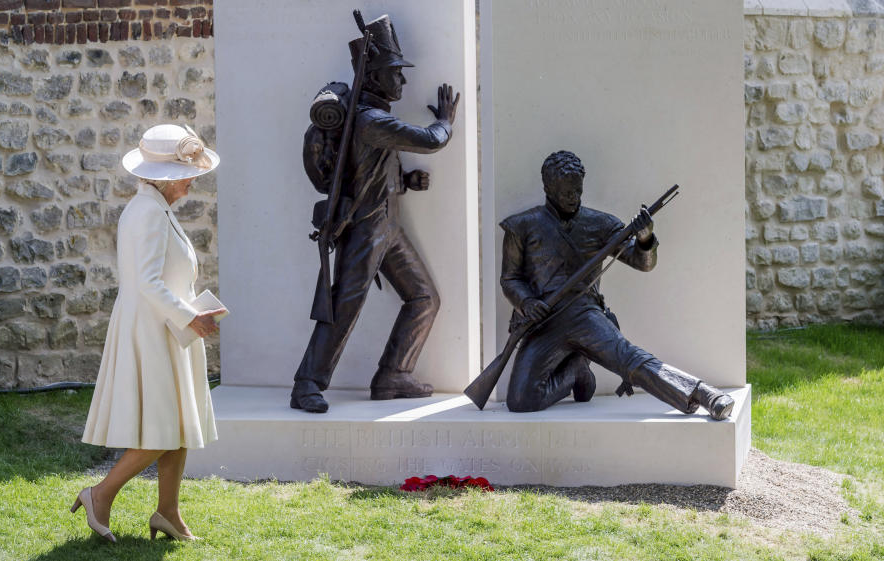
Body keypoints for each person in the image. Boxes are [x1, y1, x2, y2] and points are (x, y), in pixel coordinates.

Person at [291, 13, 461, 413]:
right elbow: (430, 140)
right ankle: (307, 384)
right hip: (366, 229)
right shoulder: (370, 120)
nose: (401, 81)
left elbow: (367, 170)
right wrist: (445, 122)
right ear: (373, 77)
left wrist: (403, 182)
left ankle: (393, 374)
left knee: (424, 297)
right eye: (395, 73)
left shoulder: (367, 120)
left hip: (386, 226)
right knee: (344, 306)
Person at [499, 150, 735, 420]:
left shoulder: (600, 223)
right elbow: (510, 279)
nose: (573, 198)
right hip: (543, 322)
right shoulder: (521, 226)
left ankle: (704, 393)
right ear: (548, 187)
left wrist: (645, 237)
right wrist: (527, 302)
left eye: (577, 191)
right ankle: (576, 370)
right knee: (520, 401)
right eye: (566, 192)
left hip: (585, 315)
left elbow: (643, 262)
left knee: (630, 359)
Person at [74, 124, 224, 542]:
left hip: (167, 327)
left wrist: (190, 313)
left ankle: (168, 513)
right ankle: (99, 493)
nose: (192, 180)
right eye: (187, 173)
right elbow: (146, 281)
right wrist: (189, 317)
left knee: (176, 423)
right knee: (163, 426)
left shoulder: (156, 210)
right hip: (154, 329)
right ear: (167, 178)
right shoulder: (147, 213)